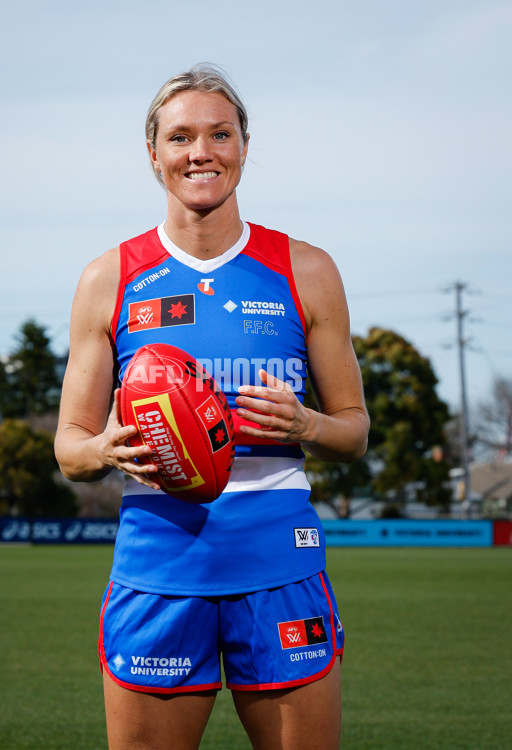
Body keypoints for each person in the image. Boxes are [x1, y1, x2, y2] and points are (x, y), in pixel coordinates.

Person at [55, 63, 369, 750]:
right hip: (161, 561)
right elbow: (70, 446)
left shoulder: (306, 269)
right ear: (153, 154)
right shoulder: (108, 278)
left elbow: (354, 432)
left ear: (244, 146)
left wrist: (308, 423)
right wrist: (106, 448)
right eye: (181, 137)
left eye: (219, 134)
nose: (201, 152)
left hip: (278, 559)